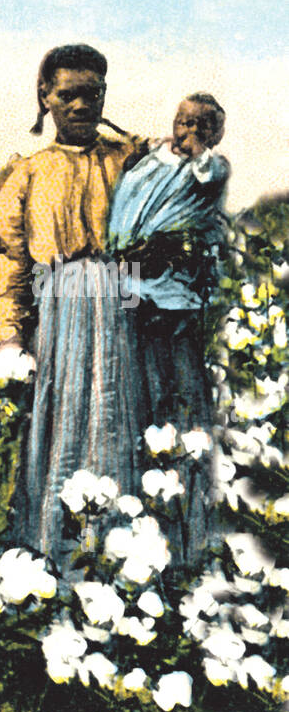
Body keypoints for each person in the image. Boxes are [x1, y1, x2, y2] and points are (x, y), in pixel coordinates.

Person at [0, 43, 150, 563]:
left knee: (116, 413)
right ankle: (53, 552)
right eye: (68, 95)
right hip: (59, 310)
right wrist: (11, 335)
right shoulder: (29, 171)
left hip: (123, 302)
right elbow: (13, 261)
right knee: (61, 417)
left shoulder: (129, 162)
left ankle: (123, 553)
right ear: (46, 97)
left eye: (93, 94)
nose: (82, 106)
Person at [107, 93, 229, 561]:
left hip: (171, 291)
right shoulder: (152, 160)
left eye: (201, 125)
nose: (188, 132)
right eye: (182, 122)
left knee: (174, 390)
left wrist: (198, 151)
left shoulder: (209, 167)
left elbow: (206, 176)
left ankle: (186, 527)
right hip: (129, 279)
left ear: (215, 134)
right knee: (135, 384)